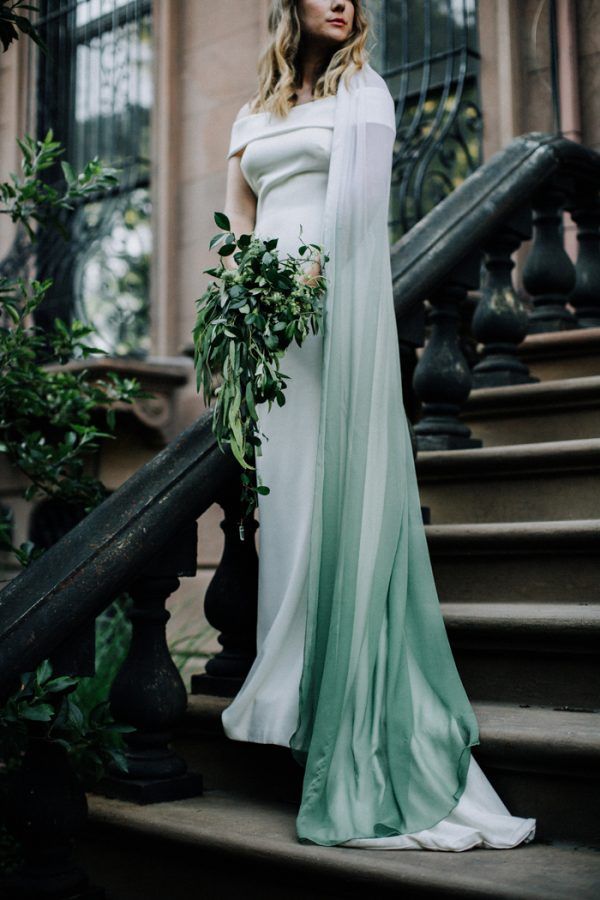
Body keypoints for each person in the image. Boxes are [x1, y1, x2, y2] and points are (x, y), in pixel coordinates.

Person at [217, 0, 537, 851]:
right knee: (284, 519)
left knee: (334, 507)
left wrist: (307, 285)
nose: (343, 1)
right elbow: (239, 222)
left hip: (329, 323)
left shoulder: (367, 94)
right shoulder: (252, 113)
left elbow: (360, 217)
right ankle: (303, 713)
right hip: (268, 336)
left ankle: (351, 723)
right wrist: (243, 305)